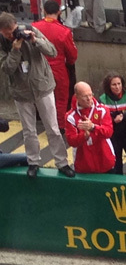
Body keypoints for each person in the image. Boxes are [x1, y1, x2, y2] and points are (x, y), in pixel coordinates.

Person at [0, 12, 72, 179]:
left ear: (16, 26)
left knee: (53, 128)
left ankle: (62, 162)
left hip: (42, 86)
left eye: (13, 31)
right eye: (7, 33)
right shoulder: (3, 43)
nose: (12, 36)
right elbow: (7, 69)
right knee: (28, 130)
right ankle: (33, 162)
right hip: (21, 92)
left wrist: (35, 40)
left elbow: (52, 51)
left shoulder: (29, 30)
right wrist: (15, 50)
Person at [32, 0, 77, 135]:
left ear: (44, 11)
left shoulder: (34, 27)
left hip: (38, 68)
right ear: (59, 12)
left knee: (39, 97)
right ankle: (60, 125)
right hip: (58, 69)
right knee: (61, 98)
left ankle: (43, 120)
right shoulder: (64, 31)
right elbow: (72, 56)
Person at [65, 81, 116, 174]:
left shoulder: (103, 110)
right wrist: (83, 136)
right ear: (77, 97)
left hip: (105, 161)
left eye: (90, 94)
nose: (89, 99)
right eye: (85, 96)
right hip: (83, 164)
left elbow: (109, 132)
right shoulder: (70, 116)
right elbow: (71, 141)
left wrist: (93, 127)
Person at [100, 72, 126, 174]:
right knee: (116, 163)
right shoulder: (103, 99)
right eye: (114, 85)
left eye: (119, 84)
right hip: (113, 136)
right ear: (108, 86)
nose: (117, 87)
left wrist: (124, 117)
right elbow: (103, 119)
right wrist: (113, 120)